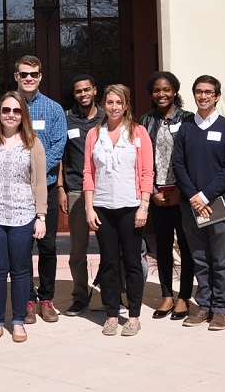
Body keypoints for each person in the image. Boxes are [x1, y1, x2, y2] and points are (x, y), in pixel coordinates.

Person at [0, 55, 66, 323]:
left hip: (43, 187)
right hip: (12, 193)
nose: (29, 78)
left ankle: (46, 298)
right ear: (16, 76)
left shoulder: (54, 109)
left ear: (41, 76)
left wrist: (37, 168)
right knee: (21, 249)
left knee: (47, 247)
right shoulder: (2, 108)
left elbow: (59, 144)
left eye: (33, 74)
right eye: (24, 74)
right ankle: (27, 300)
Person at [0, 91, 48, 343]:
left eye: (16, 111)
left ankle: (17, 321)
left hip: (24, 215)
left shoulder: (33, 143)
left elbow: (39, 183)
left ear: (22, 115)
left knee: (21, 271)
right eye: (6, 110)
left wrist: (41, 216)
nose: (11, 115)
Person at [84, 84, 154, 336]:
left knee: (133, 262)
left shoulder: (139, 132)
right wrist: (89, 208)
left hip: (131, 206)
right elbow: (88, 173)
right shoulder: (94, 134)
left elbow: (147, 172)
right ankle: (112, 314)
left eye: (118, 102)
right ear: (104, 104)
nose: (114, 107)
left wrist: (144, 206)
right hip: (103, 207)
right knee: (109, 263)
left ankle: (133, 316)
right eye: (110, 102)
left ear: (126, 105)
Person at [172, 74, 225, 331]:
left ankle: (222, 309)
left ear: (217, 96)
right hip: (191, 205)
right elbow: (178, 164)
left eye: (208, 92)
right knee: (200, 257)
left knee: (220, 258)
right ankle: (204, 305)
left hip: (218, 204)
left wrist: (205, 196)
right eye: (198, 91)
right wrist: (194, 197)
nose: (203, 96)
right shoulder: (186, 127)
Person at [138, 70, 194, 320]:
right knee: (161, 245)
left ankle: (183, 297)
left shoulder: (189, 119)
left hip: (182, 192)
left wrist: (181, 191)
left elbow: (192, 159)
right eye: (157, 90)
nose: (162, 94)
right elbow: (141, 160)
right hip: (157, 193)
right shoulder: (145, 121)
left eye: (166, 89)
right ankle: (166, 295)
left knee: (186, 244)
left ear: (175, 91)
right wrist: (151, 193)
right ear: (152, 93)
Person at [58, 74, 103, 316]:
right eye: (78, 91)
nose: (83, 94)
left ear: (95, 90)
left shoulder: (108, 116)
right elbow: (60, 157)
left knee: (110, 245)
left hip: (106, 191)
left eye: (87, 89)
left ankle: (111, 293)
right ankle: (80, 296)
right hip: (76, 189)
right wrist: (60, 188)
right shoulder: (67, 119)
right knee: (78, 249)